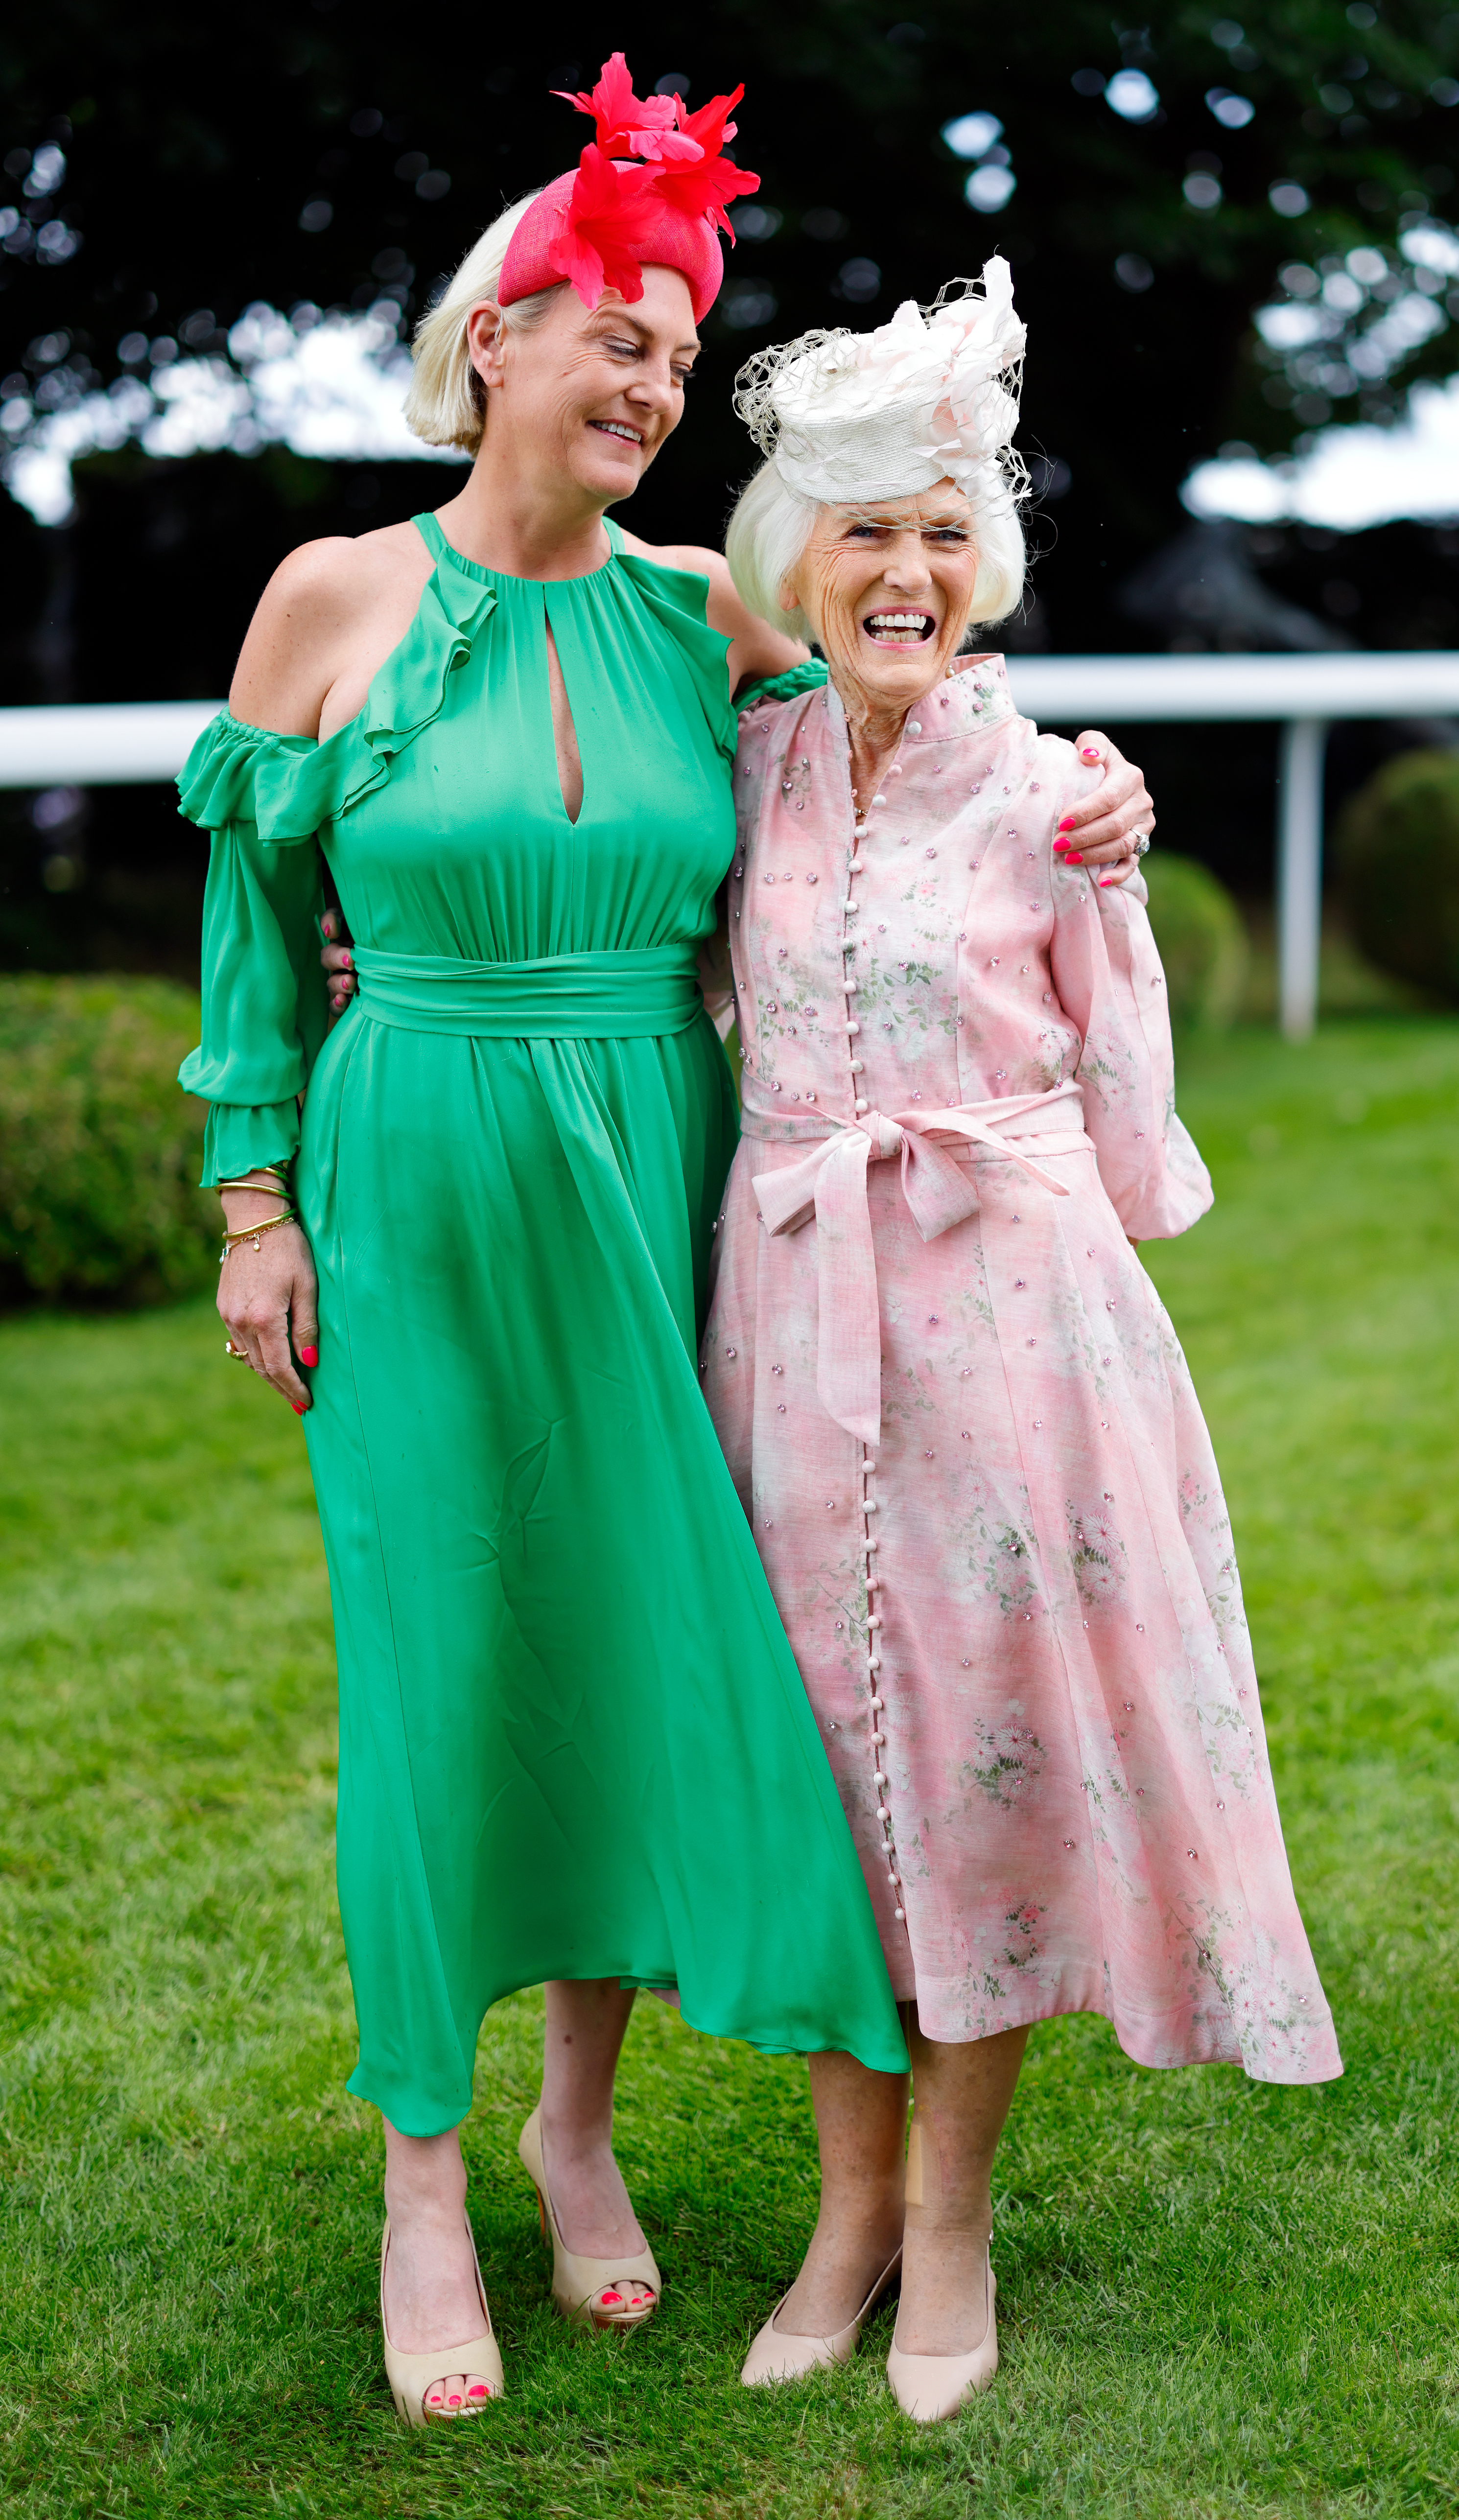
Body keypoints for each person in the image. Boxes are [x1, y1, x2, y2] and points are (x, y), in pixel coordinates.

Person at [186, 57, 1153, 2425]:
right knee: (439, 1658)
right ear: (493, 338)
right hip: (414, 1173)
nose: (647, 377)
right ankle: (426, 2172)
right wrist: (253, 1200)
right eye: (611, 331)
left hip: (667, 1165)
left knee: (621, 1640)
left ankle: (575, 2130)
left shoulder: (705, 617)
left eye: (678, 345)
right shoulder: (329, 597)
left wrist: (1101, 788)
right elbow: (250, 934)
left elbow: (912, 740)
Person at [700, 262, 1342, 2425]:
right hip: (790, 1311)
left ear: (982, 565)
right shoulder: (748, 768)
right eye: (863, 533)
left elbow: (1127, 1111)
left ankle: (950, 2219)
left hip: (1004, 1322)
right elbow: (657, 967)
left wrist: (1122, 866)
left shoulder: (1060, 790)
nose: (903, 572)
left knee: (979, 1753)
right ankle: (846, 2212)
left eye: (941, 533)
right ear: (799, 557)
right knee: (822, 1755)